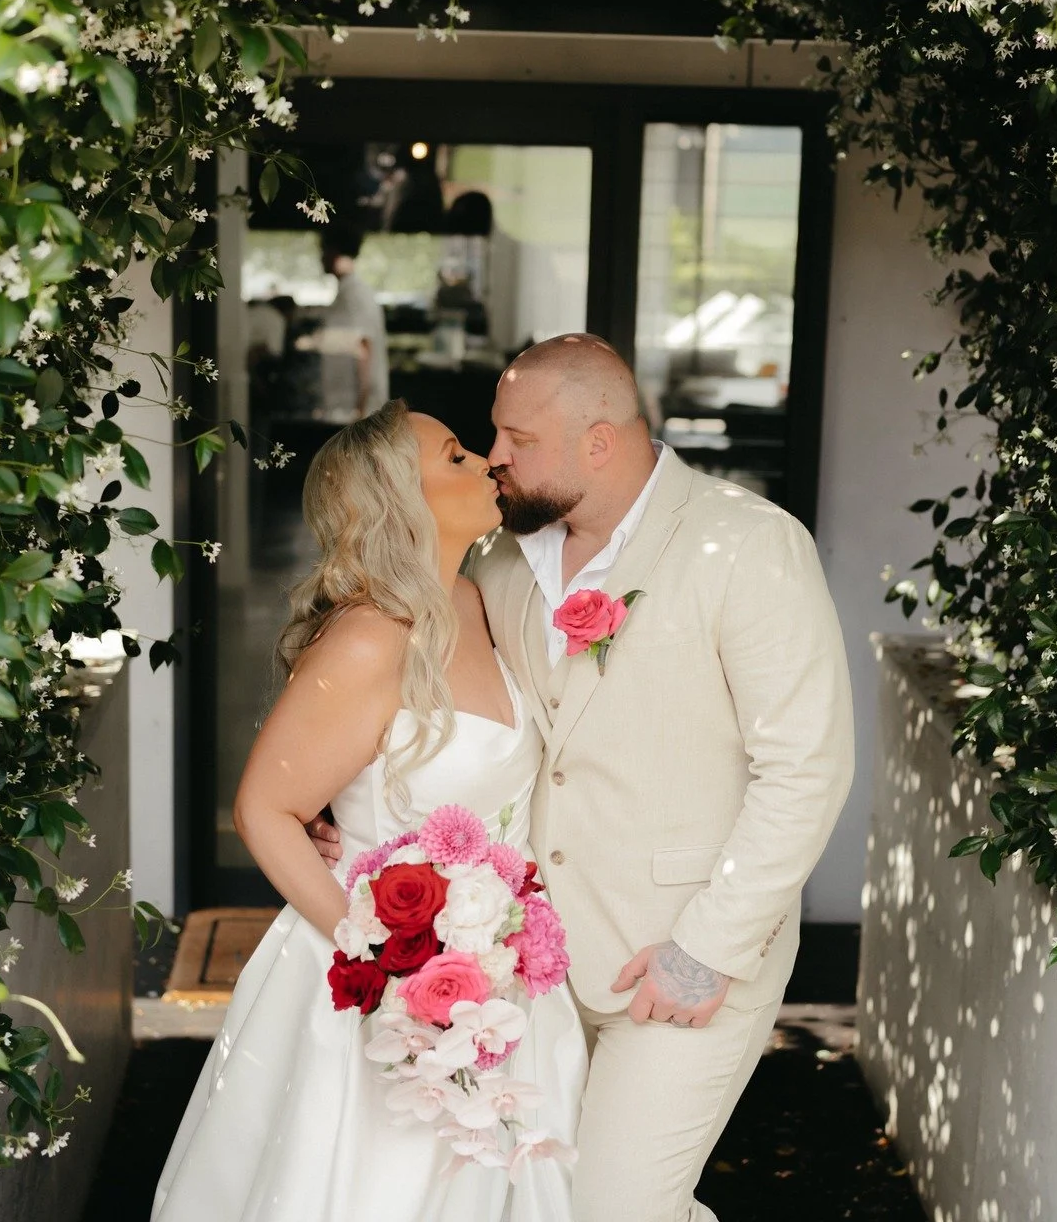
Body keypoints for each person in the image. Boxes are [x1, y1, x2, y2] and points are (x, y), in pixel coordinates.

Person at [313, 333, 854, 1222]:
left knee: (620, 1209)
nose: (496, 459)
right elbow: (410, 704)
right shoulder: (493, 562)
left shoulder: (750, 545)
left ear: (597, 442)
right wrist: (327, 807)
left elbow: (807, 769)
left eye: (516, 439)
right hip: (526, 971)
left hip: (680, 964)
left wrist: (708, 949)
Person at [152, 401, 586, 1222]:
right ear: (401, 498)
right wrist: (390, 965)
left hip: (500, 982)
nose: (486, 463)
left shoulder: (477, 599)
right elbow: (265, 810)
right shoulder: (368, 638)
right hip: (371, 989)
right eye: (456, 456)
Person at [316, 221, 389, 422]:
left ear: (334, 252)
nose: (320, 257)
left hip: (357, 414)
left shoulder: (356, 295)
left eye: (323, 250)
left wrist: (359, 411)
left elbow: (363, 347)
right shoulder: (347, 293)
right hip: (346, 410)